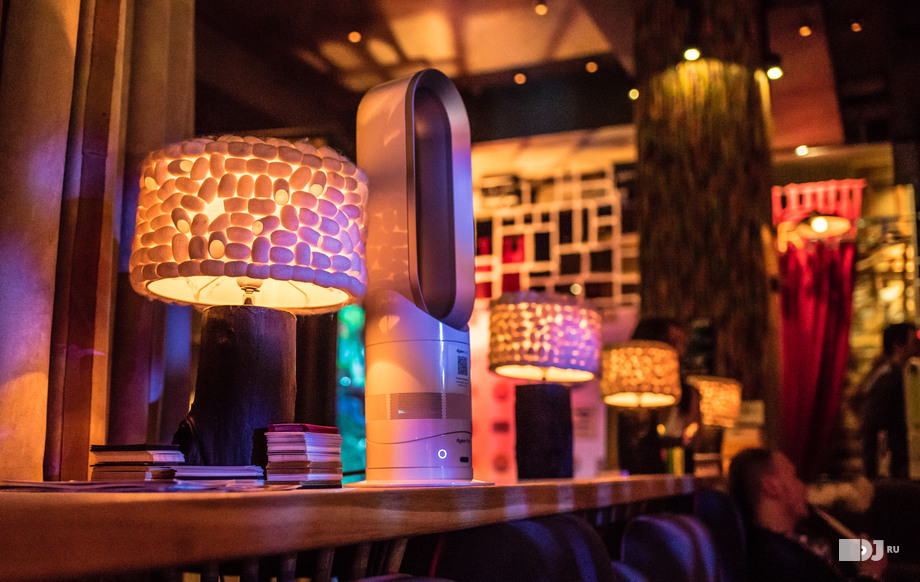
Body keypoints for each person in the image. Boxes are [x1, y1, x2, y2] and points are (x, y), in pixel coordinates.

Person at [728, 447, 886, 582]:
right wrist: (870, 574)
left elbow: (836, 549)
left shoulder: (805, 528)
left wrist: (865, 553)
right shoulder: (774, 560)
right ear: (772, 487)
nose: (803, 487)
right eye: (794, 477)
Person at [618, 317, 700, 474]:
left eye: (683, 344)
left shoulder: (688, 394)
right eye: (672, 343)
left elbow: (692, 445)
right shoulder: (630, 394)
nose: (679, 352)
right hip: (639, 479)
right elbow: (628, 454)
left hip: (678, 478)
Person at [861, 322, 920, 479]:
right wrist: (872, 474)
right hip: (898, 467)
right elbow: (872, 425)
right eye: (914, 343)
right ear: (898, 346)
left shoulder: (904, 375)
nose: (917, 348)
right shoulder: (888, 379)